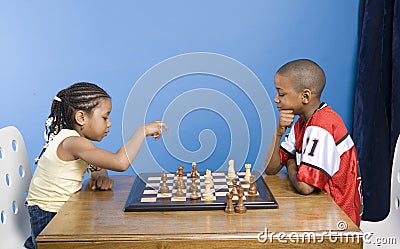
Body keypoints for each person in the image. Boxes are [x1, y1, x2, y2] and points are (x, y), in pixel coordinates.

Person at [24, 82, 168, 248]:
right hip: (49, 215)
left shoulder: (73, 139)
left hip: (55, 210)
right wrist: (141, 131)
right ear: (81, 118)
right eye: (105, 117)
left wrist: (101, 177)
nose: (109, 123)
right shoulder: (73, 143)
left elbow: (96, 165)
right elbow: (120, 162)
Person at [264, 59, 362, 226]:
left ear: (305, 96)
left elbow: (305, 186)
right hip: (319, 211)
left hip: (338, 220)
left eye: (281, 93)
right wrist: (279, 132)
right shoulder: (302, 123)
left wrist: (290, 163)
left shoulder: (322, 126)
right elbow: (271, 169)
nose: (275, 99)